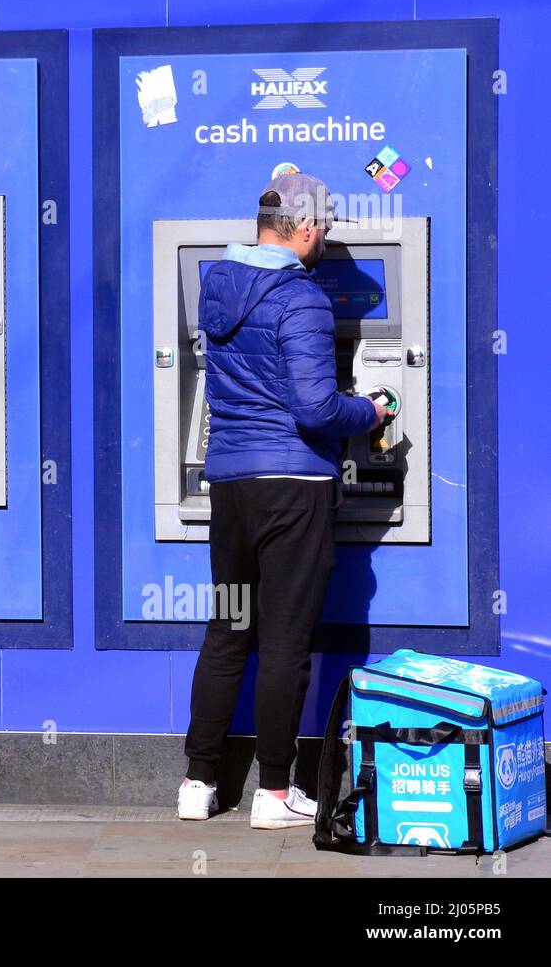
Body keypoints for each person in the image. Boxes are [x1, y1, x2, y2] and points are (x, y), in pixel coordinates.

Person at [176, 172, 393, 829]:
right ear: (303, 228)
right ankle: (274, 791)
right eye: (323, 225)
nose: (325, 236)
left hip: (233, 488)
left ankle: (197, 780)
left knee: (227, 630)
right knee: (286, 639)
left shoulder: (219, 284)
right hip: (294, 488)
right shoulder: (302, 299)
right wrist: (372, 411)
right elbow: (315, 404)